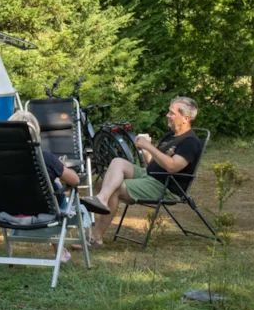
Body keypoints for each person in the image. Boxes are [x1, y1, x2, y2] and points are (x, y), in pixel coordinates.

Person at [81, 96, 203, 248]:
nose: (167, 115)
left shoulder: (190, 142)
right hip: (150, 176)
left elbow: (172, 167)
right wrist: (146, 149)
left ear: (185, 118)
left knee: (116, 188)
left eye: (172, 113)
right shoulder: (170, 136)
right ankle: (102, 199)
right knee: (117, 162)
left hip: (164, 187)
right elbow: (153, 164)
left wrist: (149, 146)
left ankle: (96, 238)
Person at [8, 110, 111, 262]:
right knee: (54, 187)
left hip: (11, 212)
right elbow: (75, 180)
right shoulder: (46, 158)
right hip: (44, 212)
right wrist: (59, 167)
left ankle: (60, 251)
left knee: (47, 190)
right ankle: (60, 251)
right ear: (36, 132)